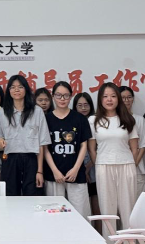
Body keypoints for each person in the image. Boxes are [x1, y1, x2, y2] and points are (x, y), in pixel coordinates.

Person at [88, 83, 138, 237]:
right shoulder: (93, 120)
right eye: (105, 96)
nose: (109, 99)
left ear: (118, 99)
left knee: (128, 208)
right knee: (107, 209)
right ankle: (109, 240)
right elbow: (92, 148)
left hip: (126, 166)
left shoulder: (128, 119)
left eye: (113, 96)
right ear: (100, 99)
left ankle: (130, 240)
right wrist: (99, 163)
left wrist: (131, 165)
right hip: (104, 167)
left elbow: (134, 148)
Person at [0, 75, 51, 196]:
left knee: (33, 196)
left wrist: (40, 172)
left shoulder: (37, 111)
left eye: (20, 87)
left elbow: (41, 144)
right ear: (9, 91)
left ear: (26, 89)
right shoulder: (1, 113)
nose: (16, 90)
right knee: (10, 197)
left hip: (31, 160)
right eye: (13, 87)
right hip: (10, 160)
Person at [43, 81, 92, 218]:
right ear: (53, 96)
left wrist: (76, 169)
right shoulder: (46, 119)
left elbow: (84, 145)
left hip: (76, 174)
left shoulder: (80, 119)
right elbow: (45, 148)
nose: (62, 99)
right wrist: (55, 171)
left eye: (66, 95)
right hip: (53, 174)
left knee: (80, 213)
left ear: (71, 96)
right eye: (58, 95)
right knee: (54, 215)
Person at [119, 86, 145, 199]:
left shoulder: (140, 120)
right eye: (123, 98)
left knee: (138, 202)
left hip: (137, 169)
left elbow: (143, 145)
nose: (126, 100)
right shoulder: (112, 120)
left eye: (129, 97)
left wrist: (133, 164)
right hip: (118, 168)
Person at [73, 92, 101, 233]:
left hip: (95, 167)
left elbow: (100, 147)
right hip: (77, 168)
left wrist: (89, 166)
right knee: (80, 206)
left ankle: (100, 235)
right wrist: (81, 168)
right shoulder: (72, 121)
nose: (83, 108)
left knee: (97, 206)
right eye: (80, 105)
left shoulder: (96, 121)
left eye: (86, 105)